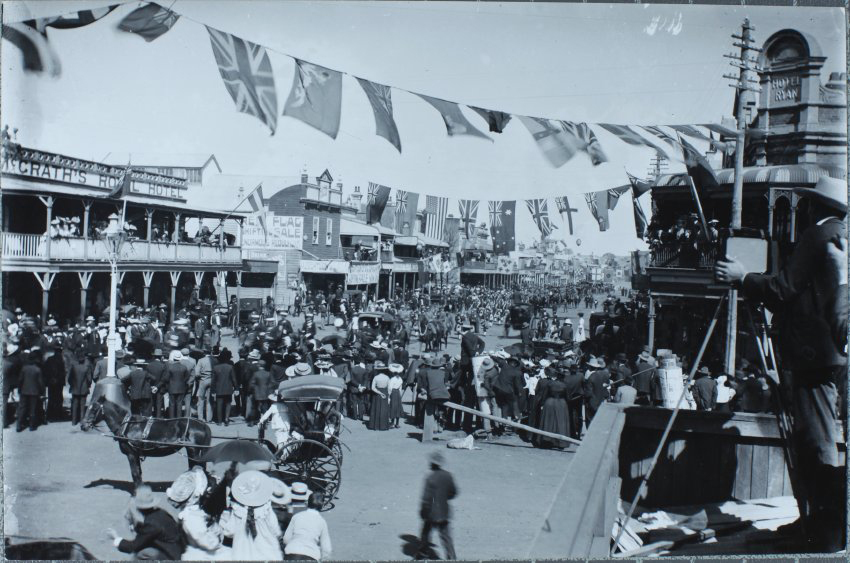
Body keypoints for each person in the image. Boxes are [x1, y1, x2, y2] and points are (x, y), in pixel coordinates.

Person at [715, 175, 848, 551]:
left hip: (812, 355)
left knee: (815, 440)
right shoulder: (839, 234)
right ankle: (817, 522)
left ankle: (824, 531)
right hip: (830, 352)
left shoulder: (818, 235)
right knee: (816, 437)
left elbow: (783, 289)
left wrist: (743, 279)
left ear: (814, 206)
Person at [165, 469, 231, 560]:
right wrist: (217, 529)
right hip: (202, 555)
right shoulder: (191, 518)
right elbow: (210, 543)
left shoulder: (192, 513)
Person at [107, 485, 185, 560]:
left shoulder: (151, 524)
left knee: (142, 553)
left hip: (170, 556)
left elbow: (132, 547)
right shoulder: (160, 512)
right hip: (176, 549)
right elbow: (148, 532)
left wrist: (116, 537)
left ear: (139, 507)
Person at [221, 470, 283, 560]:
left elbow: (229, 532)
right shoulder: (266, 509)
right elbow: (275, 530)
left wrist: (224, 520)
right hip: (265, 552)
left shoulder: (238, 510)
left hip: (243, 553)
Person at [416, 451, 457, 560]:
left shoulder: (430, 477)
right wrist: (444, 498)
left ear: (432, 464)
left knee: (425, 533)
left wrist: (423, 511)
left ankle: (422, 554)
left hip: (431, 513)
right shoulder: (448, 475)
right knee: (446, 537)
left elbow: (426, 498)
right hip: (444, 511)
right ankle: (452, 557)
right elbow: (453, 492)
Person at [283, 492, 333, 561]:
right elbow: (326, 549)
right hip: (311, 555)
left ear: (307, 503)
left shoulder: (297, 516)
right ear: (322, 505)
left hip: (291, 552)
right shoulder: (321, 521)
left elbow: (286, 539)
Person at [17, 350, 44, 432]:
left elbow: (20, 380)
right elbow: (40, 382)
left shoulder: (24, 368)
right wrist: (42, 391)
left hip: (24, 391)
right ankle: (31, 426)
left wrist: (19, 389)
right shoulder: (38, 370)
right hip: (34, 392)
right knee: (33, 409)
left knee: (22, 408)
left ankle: (19, 425)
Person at [211, 348, 238, 425]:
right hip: (228, 388)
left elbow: (213, 381)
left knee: (219, 405)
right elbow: (234, 379)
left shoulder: (216, 367)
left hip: (219, 389)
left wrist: (213, 390)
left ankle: (219, 421)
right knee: (228, 404)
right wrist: (236, 388)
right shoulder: (230, 367)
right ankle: (226, 419)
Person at [68, 348, 92, 425]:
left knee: (74, 404)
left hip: (75, 387)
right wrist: (89, 385)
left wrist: (72, 385)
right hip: (84, 388)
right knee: (82, 405)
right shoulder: (87, 366)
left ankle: (73, 421)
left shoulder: (74, 365)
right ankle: (82, 420)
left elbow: (69, 378)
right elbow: (89, 379)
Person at [166, 350, 190, 418]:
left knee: (172, 404)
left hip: (172, 387)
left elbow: (166, 378)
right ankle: (179, 419)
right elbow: (187, 377)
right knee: (179, 404)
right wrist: (182, 381)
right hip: (181, 388)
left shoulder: (170, 367)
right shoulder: (184, 367)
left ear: (173, 358)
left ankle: (171, 419)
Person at [368, 361, 391, 431]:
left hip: (377, 394)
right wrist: (388, 396)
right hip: (385, 393)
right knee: (384, 409)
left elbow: (372, 388)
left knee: (376, 409)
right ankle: (383, 426)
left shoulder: (376, 377)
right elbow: (389, 388)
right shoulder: (387, 377)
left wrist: (379, 393)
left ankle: (375, 425)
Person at [387, 363, 405, 428]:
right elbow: (400, 388)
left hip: (393, 392)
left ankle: (392, 423)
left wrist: (389, 395)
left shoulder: (392, 379)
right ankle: (397, 423)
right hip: (397, 392)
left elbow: (390, 388)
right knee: (398, 407)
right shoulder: (400, 379)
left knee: (392, 407)